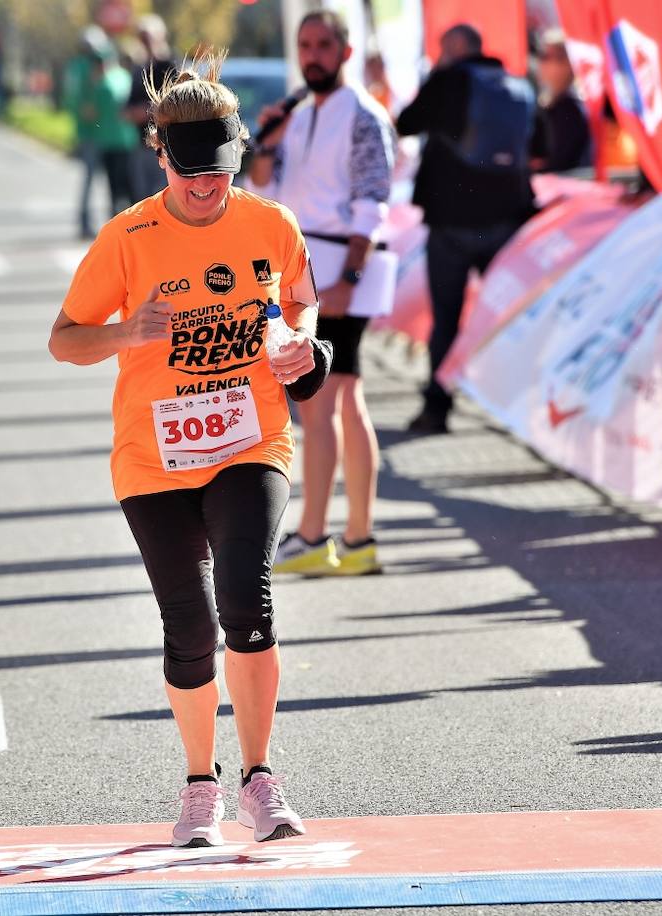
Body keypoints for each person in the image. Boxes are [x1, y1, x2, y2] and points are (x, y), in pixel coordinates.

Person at [48, 49, 332, 849]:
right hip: (153, 453)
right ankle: (200, 785)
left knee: (247, 594)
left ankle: (260, 778)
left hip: (250, 435)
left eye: (221, 172)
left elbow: (302, 304)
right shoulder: (129, 236)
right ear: (161, 157)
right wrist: (123, 332)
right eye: (191, 173)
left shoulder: (270, 224)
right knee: (190, 623)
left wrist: (298, 345)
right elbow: (63, 341)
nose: (207, 187)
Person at [248, 10, 396, 577]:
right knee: (344, 397)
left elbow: (372, 203)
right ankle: (357, 537)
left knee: (320, 400)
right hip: (310, 270)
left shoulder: (362, 115)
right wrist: (267, 141)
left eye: (323, 45)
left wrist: (348, 281)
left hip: (341, 271)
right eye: (304, 45)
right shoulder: (299, 113)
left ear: (345, 51)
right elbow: (265, 185)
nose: (312, 55)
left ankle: (313, 533)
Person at [396, 23, 535, 435]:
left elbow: (406, 123)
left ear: (455, 48)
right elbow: (537, 146)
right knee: (511, 319)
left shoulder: (447, 80)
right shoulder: (517, 86)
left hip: (453, 223)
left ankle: (437, 410)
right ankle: (523, 413)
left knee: (447, 320)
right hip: (508, 220)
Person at [64, 27, 136, 238]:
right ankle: (86, 222)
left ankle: (113, 222)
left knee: (115, 181)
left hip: (106, 136)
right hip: (90, 134)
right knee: (92, 179)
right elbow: (80, 105)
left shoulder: (107, 71)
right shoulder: (80, 68)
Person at [126, 15, 177, 200]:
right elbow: (128, 105)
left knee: (164, 197)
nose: (145, 43)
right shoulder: (139, 69)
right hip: (141, 143)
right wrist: (132, 113)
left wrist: (147, 111)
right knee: (141, 198)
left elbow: (175, 101)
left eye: (148, 38)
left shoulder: (170, 65)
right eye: (142, 38)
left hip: (166, 144)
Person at [530, 31, 591, 173]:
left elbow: (558, 161)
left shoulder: (570, 108)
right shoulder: (548, 102)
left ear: (568, 64)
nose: (540, 63)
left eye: (546, 57)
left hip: (567, 187)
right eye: (540, 56)